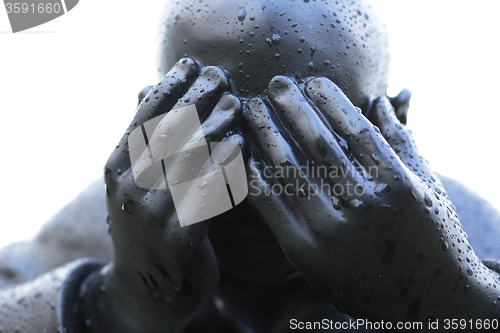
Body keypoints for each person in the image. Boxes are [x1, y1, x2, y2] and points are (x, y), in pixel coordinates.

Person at [1, 0, 500, 332]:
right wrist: (113, 303)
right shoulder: (84, 237)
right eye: (223, 127)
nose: (264, 179)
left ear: (394, 128)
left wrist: (455, 299)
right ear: (154, 126)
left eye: (309, 132)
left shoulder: (469, 244)